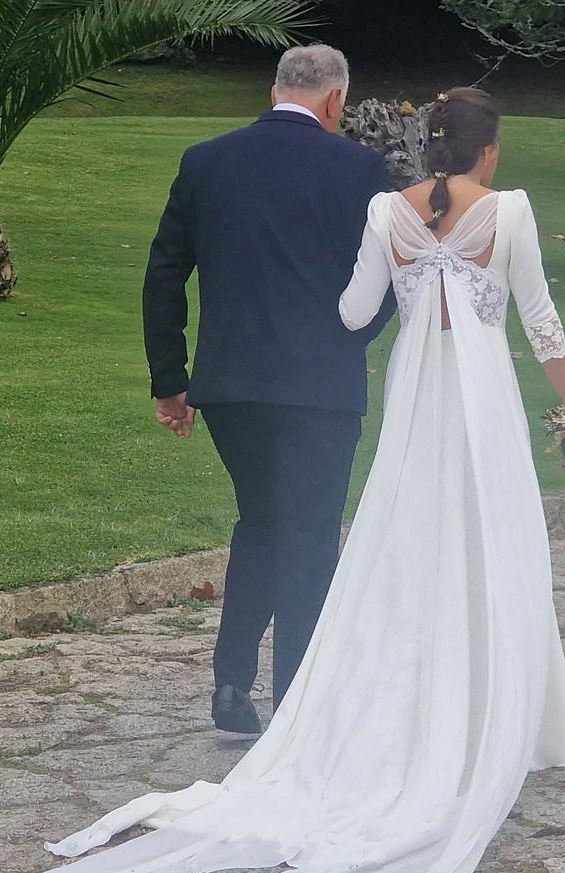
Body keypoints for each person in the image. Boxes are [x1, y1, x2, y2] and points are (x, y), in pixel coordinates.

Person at [0, 86, 565, 873]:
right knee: (483, 543)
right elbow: (542, 326)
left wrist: (396, 291)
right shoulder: (507, 211)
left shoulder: (385, 211)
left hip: (389, 403)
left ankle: (289, 692)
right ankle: (506, 715)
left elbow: (345, 308)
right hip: (468, 403)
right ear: (488, 151)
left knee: (375, 542)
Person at [141, 44, 394, 737]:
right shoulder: (359, 169)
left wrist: (172, 380)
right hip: (319, 385)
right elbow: (393, 279)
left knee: (261, 523)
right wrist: (351, 340)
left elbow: (165, 274)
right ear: (336, 101)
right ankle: (296, 705)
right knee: (310, 536)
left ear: (274, 88)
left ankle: (230, 686)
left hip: (231, 385)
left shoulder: (207, 160)